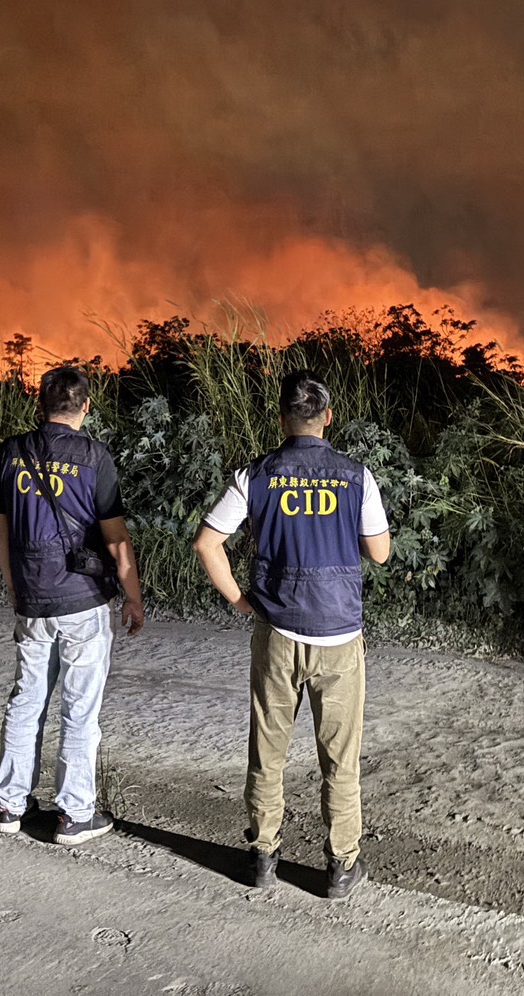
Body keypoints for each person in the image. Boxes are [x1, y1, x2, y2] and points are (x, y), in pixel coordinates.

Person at [193, 369, 392, 900]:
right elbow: (380, 552)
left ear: (282, 420)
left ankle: (262, 856)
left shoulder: (255, 476)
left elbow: (207, 544)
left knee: (268, 751)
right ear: (328, 418)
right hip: (340, 638)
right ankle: (340, 867)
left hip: (277, 632)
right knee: (340, 758)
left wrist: (241, 601)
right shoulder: (357, 477)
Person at [0, 365, 145, 843]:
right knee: (79, 709)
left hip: (32, 597)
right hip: (82, 599)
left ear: (41, 402)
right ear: (86, 407)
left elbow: (0, 528)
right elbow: (115, 538)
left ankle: (9, 806)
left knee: (26, 698)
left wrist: (14, 585)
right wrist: (133, 596)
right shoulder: (94, 457)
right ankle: (75, 814)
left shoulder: (11, 453)